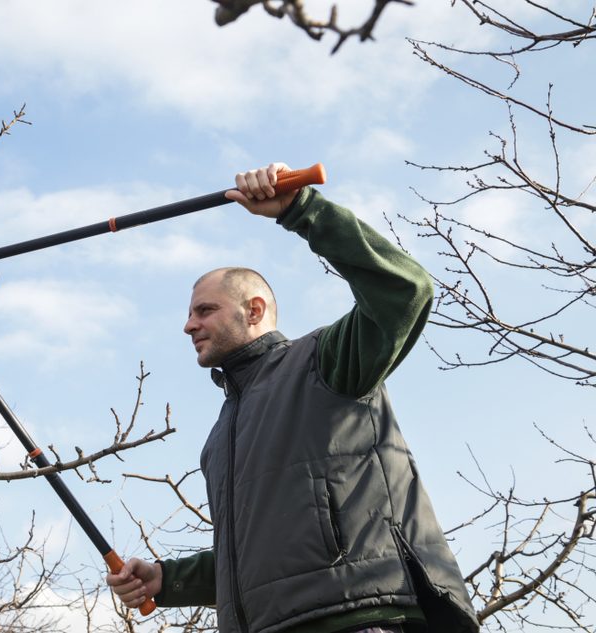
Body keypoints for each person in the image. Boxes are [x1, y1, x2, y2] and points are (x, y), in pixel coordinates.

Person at [106, 163, 479, 633]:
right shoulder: (220, 438)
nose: (189, 325)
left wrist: (303, 210)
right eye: (189, 314)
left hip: (361, 617)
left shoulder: (323, 362)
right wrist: (167, 578)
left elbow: (406, 289)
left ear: (254, 310)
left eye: (205, 310)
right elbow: (260, 556)